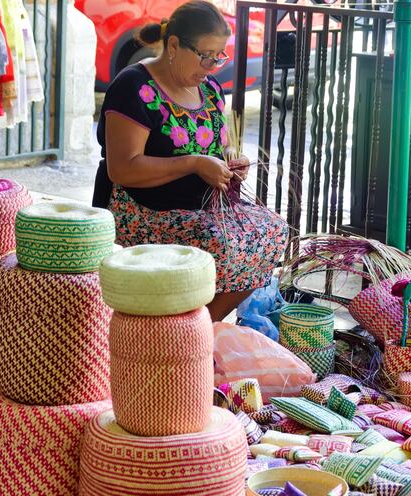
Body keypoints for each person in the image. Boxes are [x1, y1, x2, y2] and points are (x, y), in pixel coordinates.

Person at [93, 0, 289, 321]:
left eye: (218, 57)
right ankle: (183, 331)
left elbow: (216, 147)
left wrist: (230, 162)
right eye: (204, 55)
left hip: (200, 207)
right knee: (219, 243)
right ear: (173, 45)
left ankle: (200, 328)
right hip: (142, 210)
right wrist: (194, 163)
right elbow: (123, 167)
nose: (212, 67)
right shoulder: (134, 87)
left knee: (273, 230)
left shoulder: (210, 89)